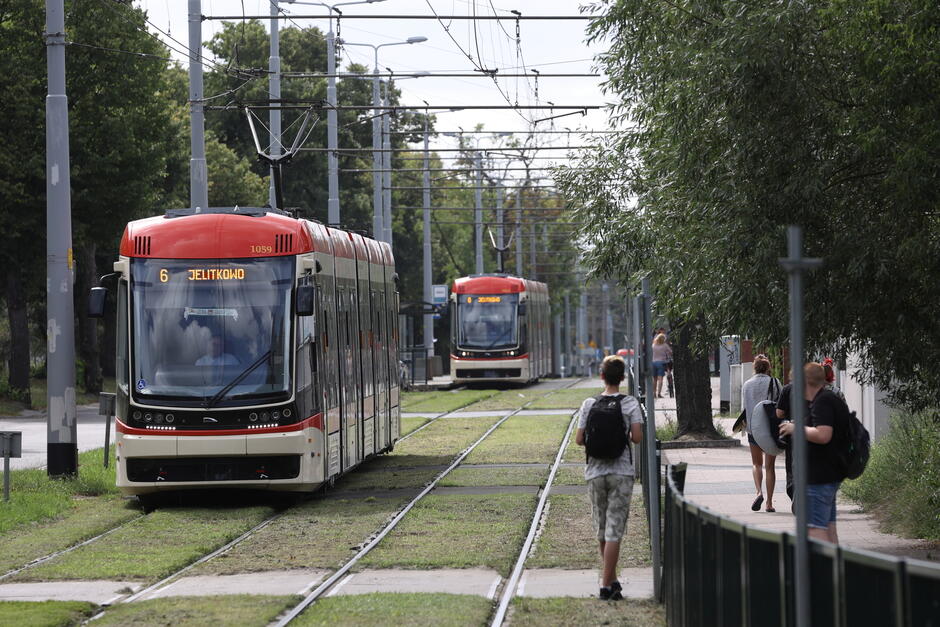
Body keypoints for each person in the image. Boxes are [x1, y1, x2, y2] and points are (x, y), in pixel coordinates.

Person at [576, 355, 644, 601]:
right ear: (623, 377)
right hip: (621, 473)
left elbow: (579, 439)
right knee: (615, 530)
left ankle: (612, 580)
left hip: (595, 473)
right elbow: (637, 438)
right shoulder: (630, 403)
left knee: (602, 528)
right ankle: (606, 585)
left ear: (602, 376)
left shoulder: (589, 404)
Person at [778, 362, 851, 543]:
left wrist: (795, 428)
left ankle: (818, 561)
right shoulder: (830, 398)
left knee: (815, 531)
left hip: (819, 477)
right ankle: (833, 561)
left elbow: (823, 435)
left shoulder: (822, 402)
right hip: (828, 474)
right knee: (829, 528)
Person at [741, 354, 782, 512]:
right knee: (770, 467)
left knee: (756, 464)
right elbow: (781, 405)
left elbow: (744, 408)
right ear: (768, 367)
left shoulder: (747, 385)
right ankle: (769, 503)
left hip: (753, 428)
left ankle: (758, 492)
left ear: (754, 367)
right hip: (770, 429)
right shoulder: (775, 382)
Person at [651, 333, 672, 398]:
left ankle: (654, 393)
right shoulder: (665, 345)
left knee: (654, 379)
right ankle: (659, 393)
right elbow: (670, 352)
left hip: (653, 363)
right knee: (660, 379)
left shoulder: (653, 345)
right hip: (661, 363)